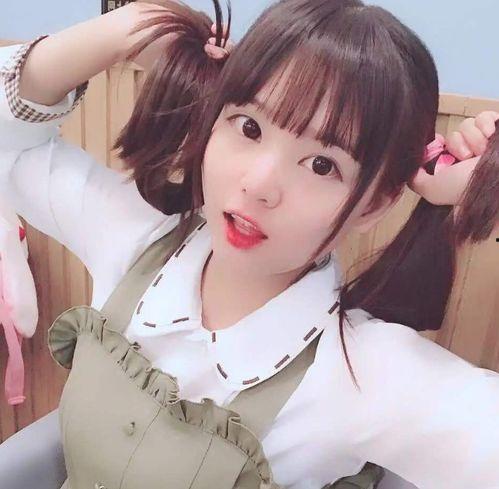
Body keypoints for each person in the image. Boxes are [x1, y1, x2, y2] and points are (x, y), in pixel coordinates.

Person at [0, 1, 498, 488]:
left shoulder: (367, 377)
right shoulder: (134, 235)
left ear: (372, 206)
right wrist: (127, 27)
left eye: (322, 165)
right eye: (250, 127)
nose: (258, 184)